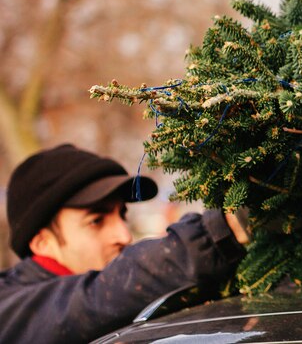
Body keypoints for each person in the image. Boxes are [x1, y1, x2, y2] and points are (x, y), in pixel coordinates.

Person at [0, 144, 250, 343]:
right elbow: (98, 296)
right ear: (43, 243)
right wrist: (222, 230)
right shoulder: (8, 309)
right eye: (96, 220)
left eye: (122, 215)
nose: (124, 236)